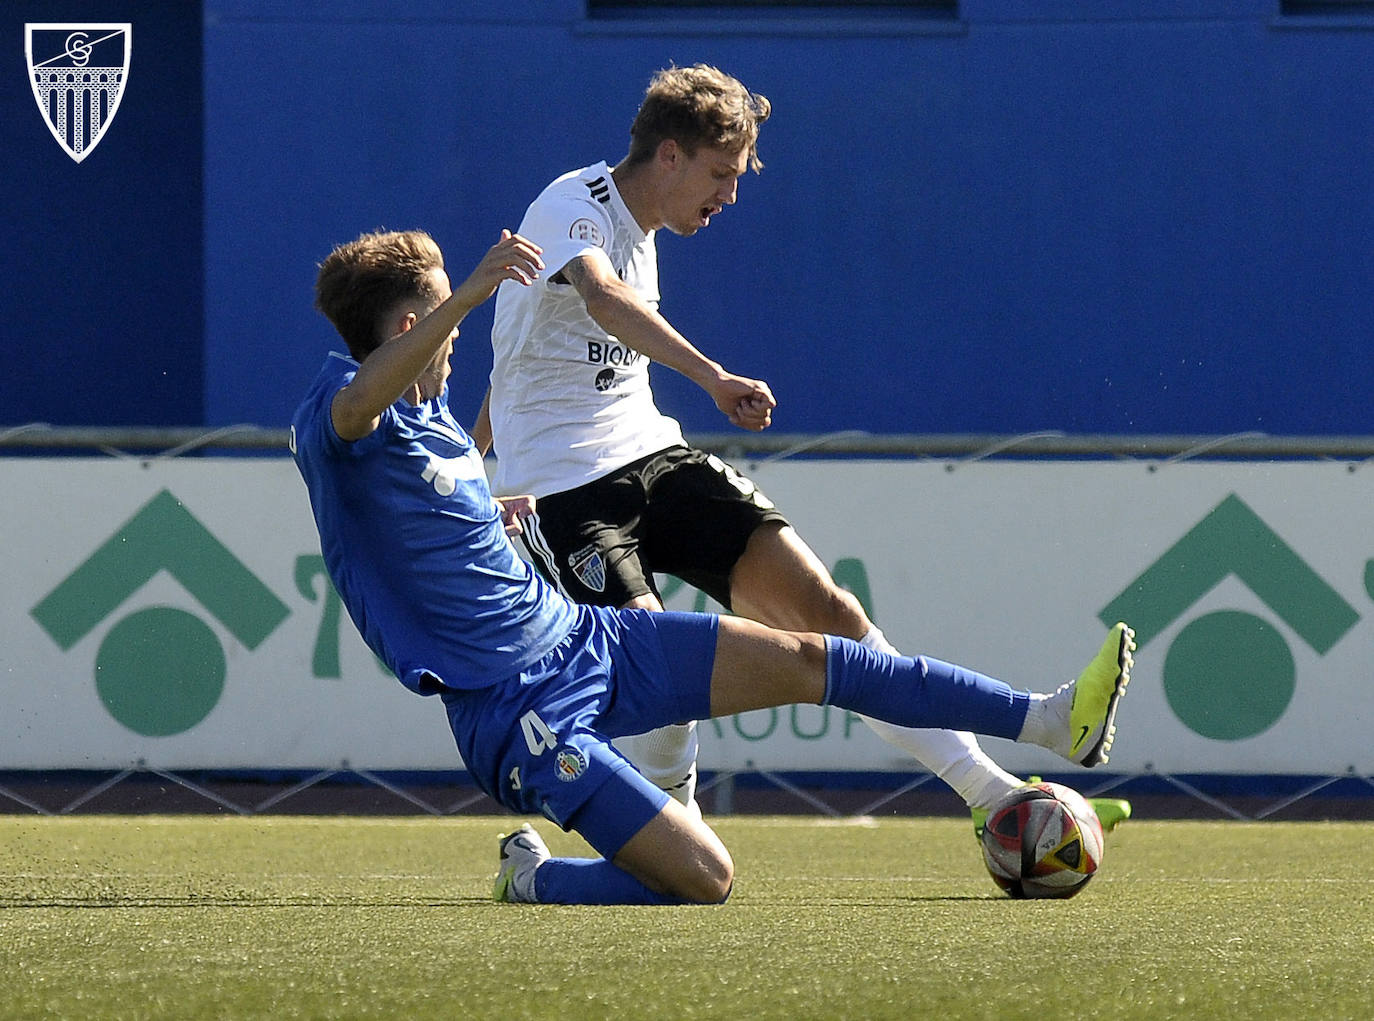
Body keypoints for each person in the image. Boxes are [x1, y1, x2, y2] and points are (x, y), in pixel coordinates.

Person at [291, 226, 1137, 905]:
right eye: (444, 318)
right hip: (516, 709)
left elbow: (439, 527)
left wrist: (501, 518)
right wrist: (471, 290)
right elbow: (361, 404)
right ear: (410, 326)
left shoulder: (438, 416)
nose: (457, 337)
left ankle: (1045, 719)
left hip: (589, 637)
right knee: (706, 878)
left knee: (816, 653)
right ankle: (533, 875)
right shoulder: (335, 414)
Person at [474, 64, 1131, 836]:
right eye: (721, 174)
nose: (730, 196)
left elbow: (517, 362)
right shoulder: (571, 203)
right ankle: (670, 843)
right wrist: (714, 377)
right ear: (671, 155)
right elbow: (600, 300)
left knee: (831, 614)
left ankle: (1014, 772)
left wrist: (473, 441)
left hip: (652, 457)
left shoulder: (644, 235)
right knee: (660, 684)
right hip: (563, 496)